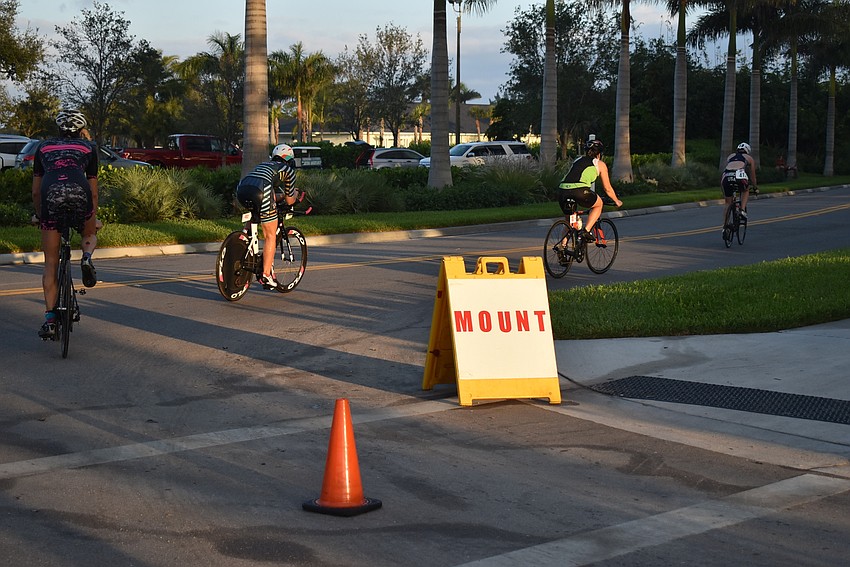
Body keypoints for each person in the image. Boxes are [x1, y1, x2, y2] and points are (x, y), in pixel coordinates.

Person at [32, 108, 100, 339]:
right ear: (81, 130)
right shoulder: (89, 148)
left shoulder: (43, 147)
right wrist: (92, 218)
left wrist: (39, 215)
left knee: (51, 262)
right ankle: (87, 256)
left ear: (58, 129)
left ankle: (50, 319)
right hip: (80, 194)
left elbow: (35, 191)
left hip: (50, 195)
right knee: (89, 233)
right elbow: (93, 191)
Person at [235, 143, 299, 291]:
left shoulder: (265, 165)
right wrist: (295, 193)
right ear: (289, 160)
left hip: (243, 189)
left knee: (255, 216)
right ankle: (266, 275)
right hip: (262, 191)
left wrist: (280, 195)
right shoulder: (287, 170)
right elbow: (290, 200)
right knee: (270, 235)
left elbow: (269, 194)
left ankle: (243, 240)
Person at [557, 136, 622, 242]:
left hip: (562, 191)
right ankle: (586, 231)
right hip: (580, 191)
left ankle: (562, 247)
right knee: (599, 204)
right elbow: (608, 188)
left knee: (570, 223)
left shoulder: (577, 160)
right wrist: (617, 201)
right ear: (599, 154)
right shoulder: (600, 164)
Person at [721, 142, 757, 231]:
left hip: (726, 176)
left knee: (727, 203)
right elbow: (752, 175)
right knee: (746, 190)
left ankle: (725, 226)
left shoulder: (730, 156)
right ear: (747, 151)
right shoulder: (749, 158)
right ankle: (742, 210)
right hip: (738, 176)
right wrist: (755, 186)